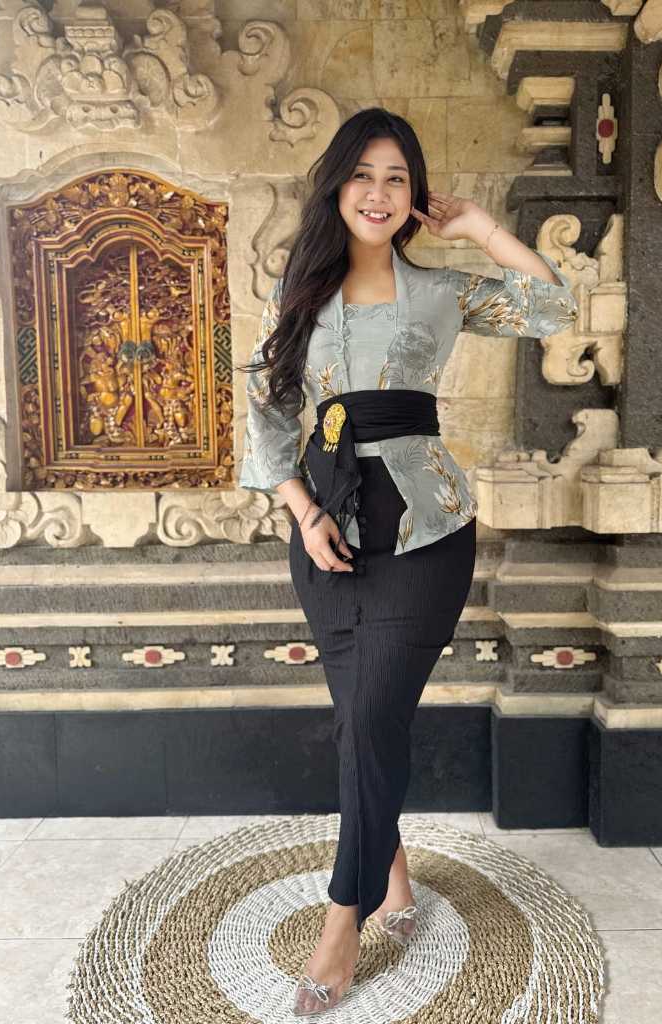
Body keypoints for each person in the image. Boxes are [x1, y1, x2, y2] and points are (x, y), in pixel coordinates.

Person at [236, 107, 578, 1016]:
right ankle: (392, 877)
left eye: (397, 178)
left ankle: (341, 918)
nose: (379, 193)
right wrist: (303, 514)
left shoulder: (442, 290)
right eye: (363, 175)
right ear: (336, 187)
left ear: (415, 195)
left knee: (375, 711)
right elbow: (266, 414)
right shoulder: (296, 297)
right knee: (359, 722)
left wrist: (481, 228)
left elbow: (553, 306)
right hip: (326, 531)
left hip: (425, 531)